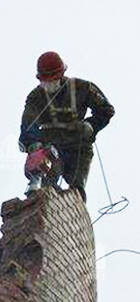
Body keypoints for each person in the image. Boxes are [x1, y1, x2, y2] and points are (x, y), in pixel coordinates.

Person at [19, 52, 114, 202]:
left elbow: (106, 110)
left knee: (76, 192)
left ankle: (74, 217)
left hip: (78, 146)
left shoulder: (82, 88)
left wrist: (91, 125)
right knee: (46, 188)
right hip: (51, 147)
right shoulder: (36, 97)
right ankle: (43, 211)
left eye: (52, 80)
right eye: (44, 80)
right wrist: (33, 145)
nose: (48, 84)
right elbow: (28, 123)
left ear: (61, 75)